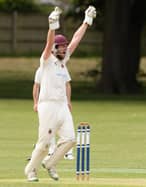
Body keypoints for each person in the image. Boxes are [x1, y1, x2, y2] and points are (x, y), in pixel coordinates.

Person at [24, 5, 96, 182]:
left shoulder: (64, 62)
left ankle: (49, 164)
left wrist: (86, 22)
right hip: (47, 105)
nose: (64, 50)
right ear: (55, 49)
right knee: (44, 143)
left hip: (62, 105)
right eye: (61, 48)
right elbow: (48, 43)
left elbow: (76, 40)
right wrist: (52, 26)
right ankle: (30, 170)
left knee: (71, 139)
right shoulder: (46, 60)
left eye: (65, 47)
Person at [32, 67, 74, 161]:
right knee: (49, 128)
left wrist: (68, 101)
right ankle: (51, 151)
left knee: (66, 127)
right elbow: (36, 86)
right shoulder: (42, 69)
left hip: (61, 104)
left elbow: (67, 85)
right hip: (48, 104)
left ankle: (68, 152)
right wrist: (35, 102)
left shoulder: (63, 68)